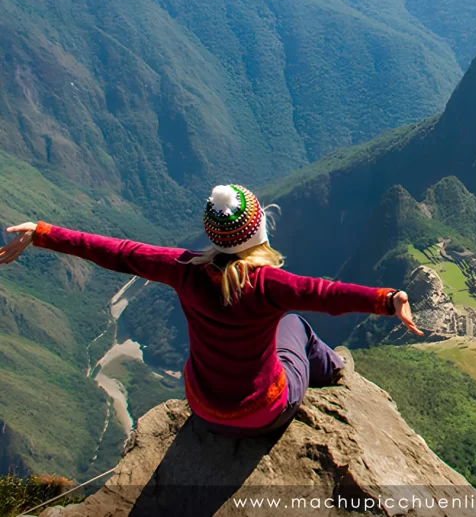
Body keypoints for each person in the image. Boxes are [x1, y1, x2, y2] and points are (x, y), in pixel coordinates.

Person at [0, 184, 423, 436]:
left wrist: (43, 233)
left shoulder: (183, 269)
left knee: (286, 324)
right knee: (295, 323)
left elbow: (118, 253)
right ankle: (336, 377)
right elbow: (326, 295)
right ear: (258, 233)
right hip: (263, 412)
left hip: (203, 407)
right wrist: (389, 300)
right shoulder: (267, 285)